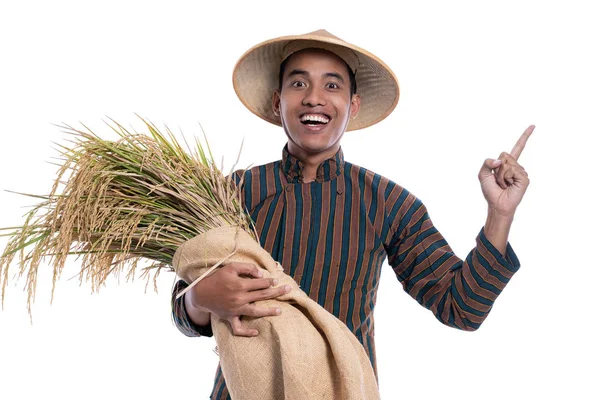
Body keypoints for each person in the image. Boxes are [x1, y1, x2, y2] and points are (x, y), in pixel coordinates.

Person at [171, 29, 533, 399]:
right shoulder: (231, 194)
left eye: (332, 86)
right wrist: (199, 298)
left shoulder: (388, 202)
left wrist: (499, 215)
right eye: (299, 83)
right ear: (278, 102)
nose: (314, 98)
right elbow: (183, 312)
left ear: (353, 105)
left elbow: (462, 307)